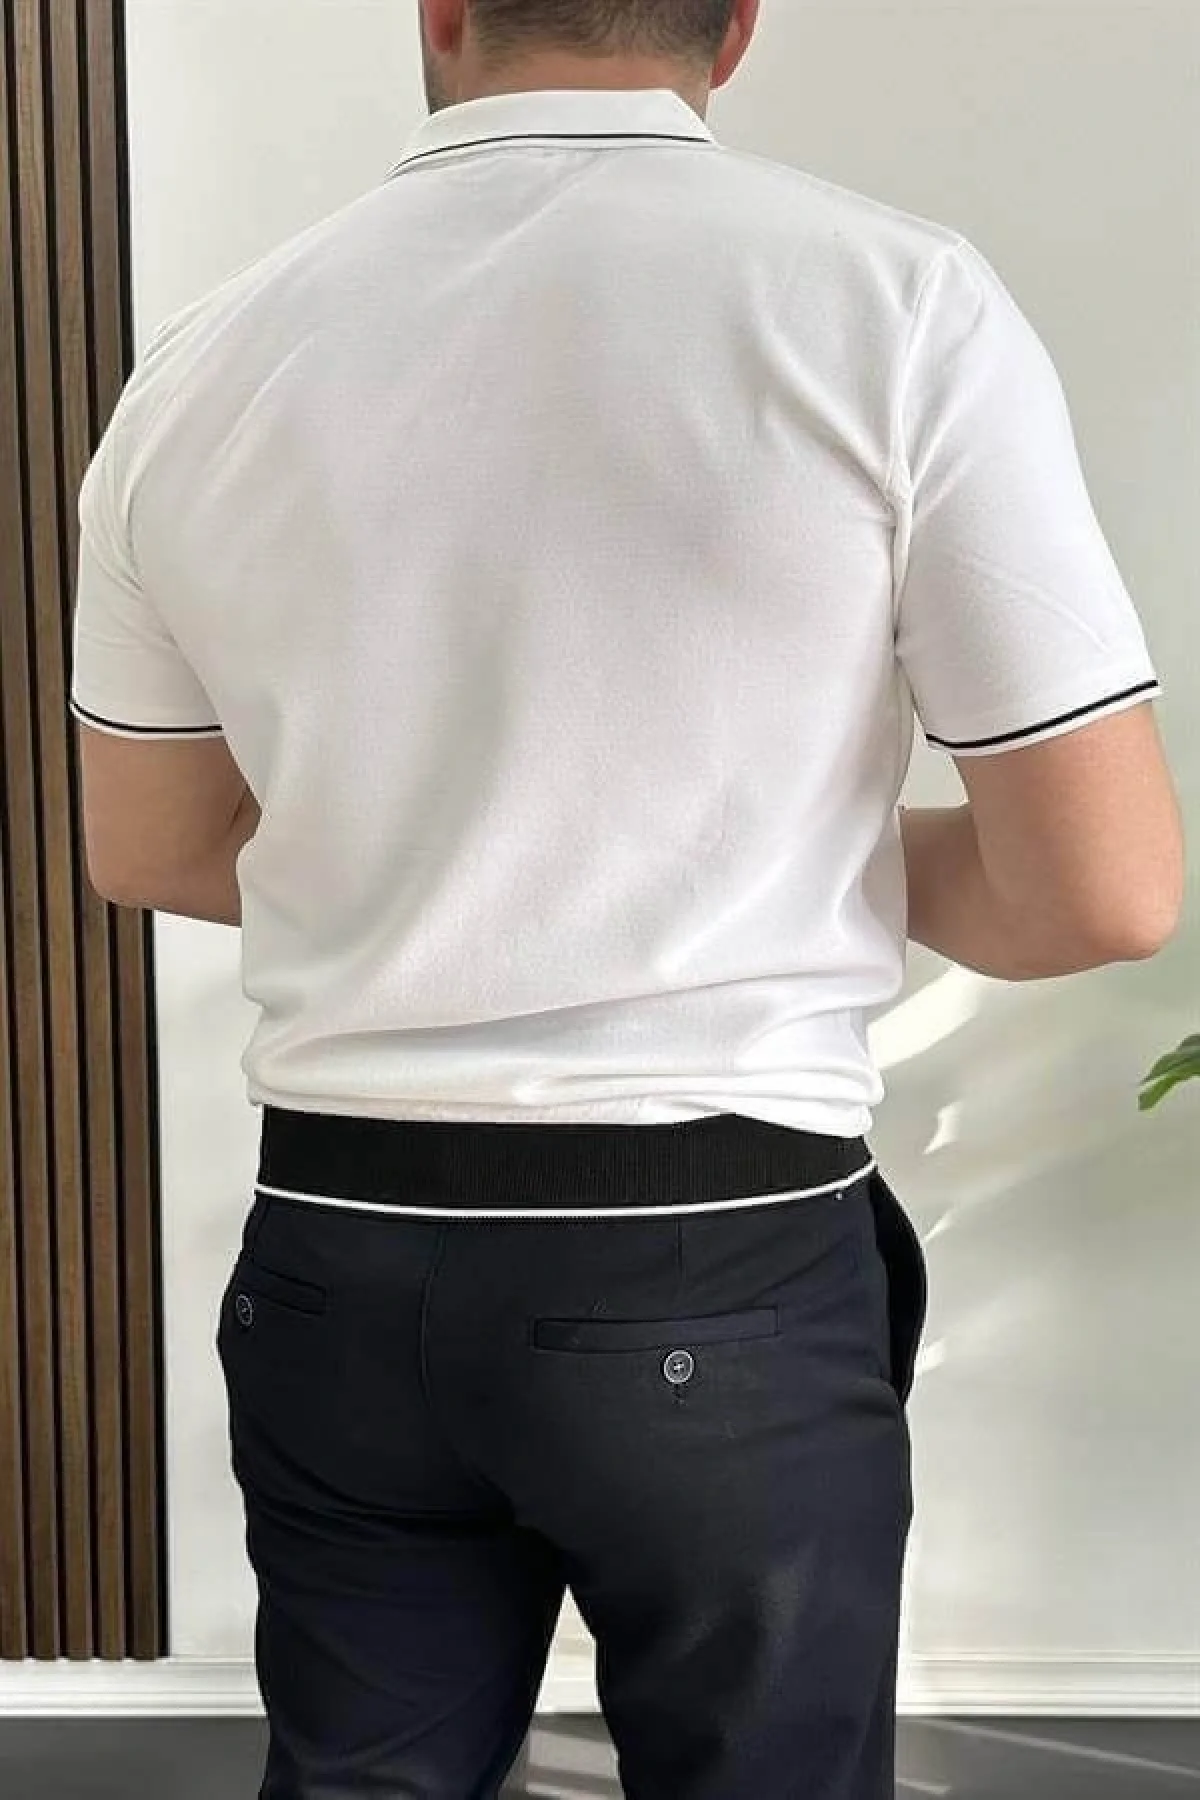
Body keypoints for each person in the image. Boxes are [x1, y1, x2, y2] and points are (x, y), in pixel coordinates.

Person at [70, 1, 1184, 1794]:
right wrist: (780, 851)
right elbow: (1103, 892)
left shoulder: (206, 359)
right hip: (713, 1243)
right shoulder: (896, 305)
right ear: (734, 29)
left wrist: (446, 852)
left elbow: (147, 846)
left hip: (338, 1251)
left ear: (440, 14)